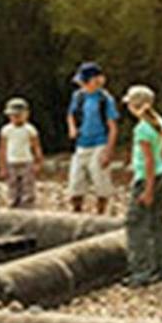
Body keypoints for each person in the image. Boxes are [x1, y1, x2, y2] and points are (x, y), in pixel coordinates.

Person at [123, 84, 162, 286]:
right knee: (156, 223)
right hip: (160, 174)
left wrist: (148, 189)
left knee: (135, 224)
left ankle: (141, 270)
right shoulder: (159, 122)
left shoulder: (142, 128)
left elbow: (149, 160)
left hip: (147, 178)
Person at [65, 61, 119, 215]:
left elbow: (113, 127)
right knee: (75, 181)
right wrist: (72, 128)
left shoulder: (105, 99)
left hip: (99, 143)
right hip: (81, 144)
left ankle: (100, 213)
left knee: (100, 181)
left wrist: (108, 151)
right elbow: (70, 114)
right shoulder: (78, 96)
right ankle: (76, 211)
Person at [0, 97, 44, 209]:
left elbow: (36, 146)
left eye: (19, 115)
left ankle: (27, 207)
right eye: (13, 115)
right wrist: (2, 166)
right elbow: (2, 148)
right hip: (11, 162)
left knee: (27, 187)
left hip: (26, 161)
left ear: (26, 114)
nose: (16, 118)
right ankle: (13, 205)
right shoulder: (6, 130)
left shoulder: (30, 129)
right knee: (12, 186)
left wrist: (38, 162)